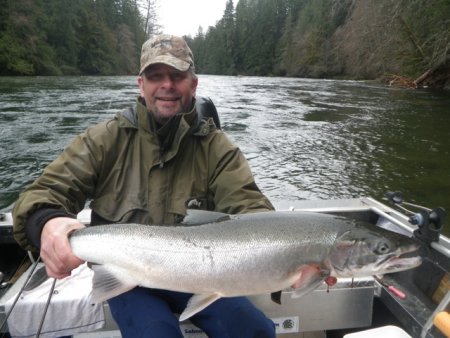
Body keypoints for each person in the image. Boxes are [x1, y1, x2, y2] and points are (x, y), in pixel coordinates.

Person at [12, 34, 276, 338]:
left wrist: (286, 257)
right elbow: (41, 194)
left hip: (203, 275)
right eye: (155, 76)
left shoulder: (217, 149)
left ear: (193, 84)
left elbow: (251, 209)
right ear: (141, 84)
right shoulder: (105, 140)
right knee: (155, 332)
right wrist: (48, 224)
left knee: (254, 330)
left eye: (177, 75)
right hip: (127, 277)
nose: (167, 85)